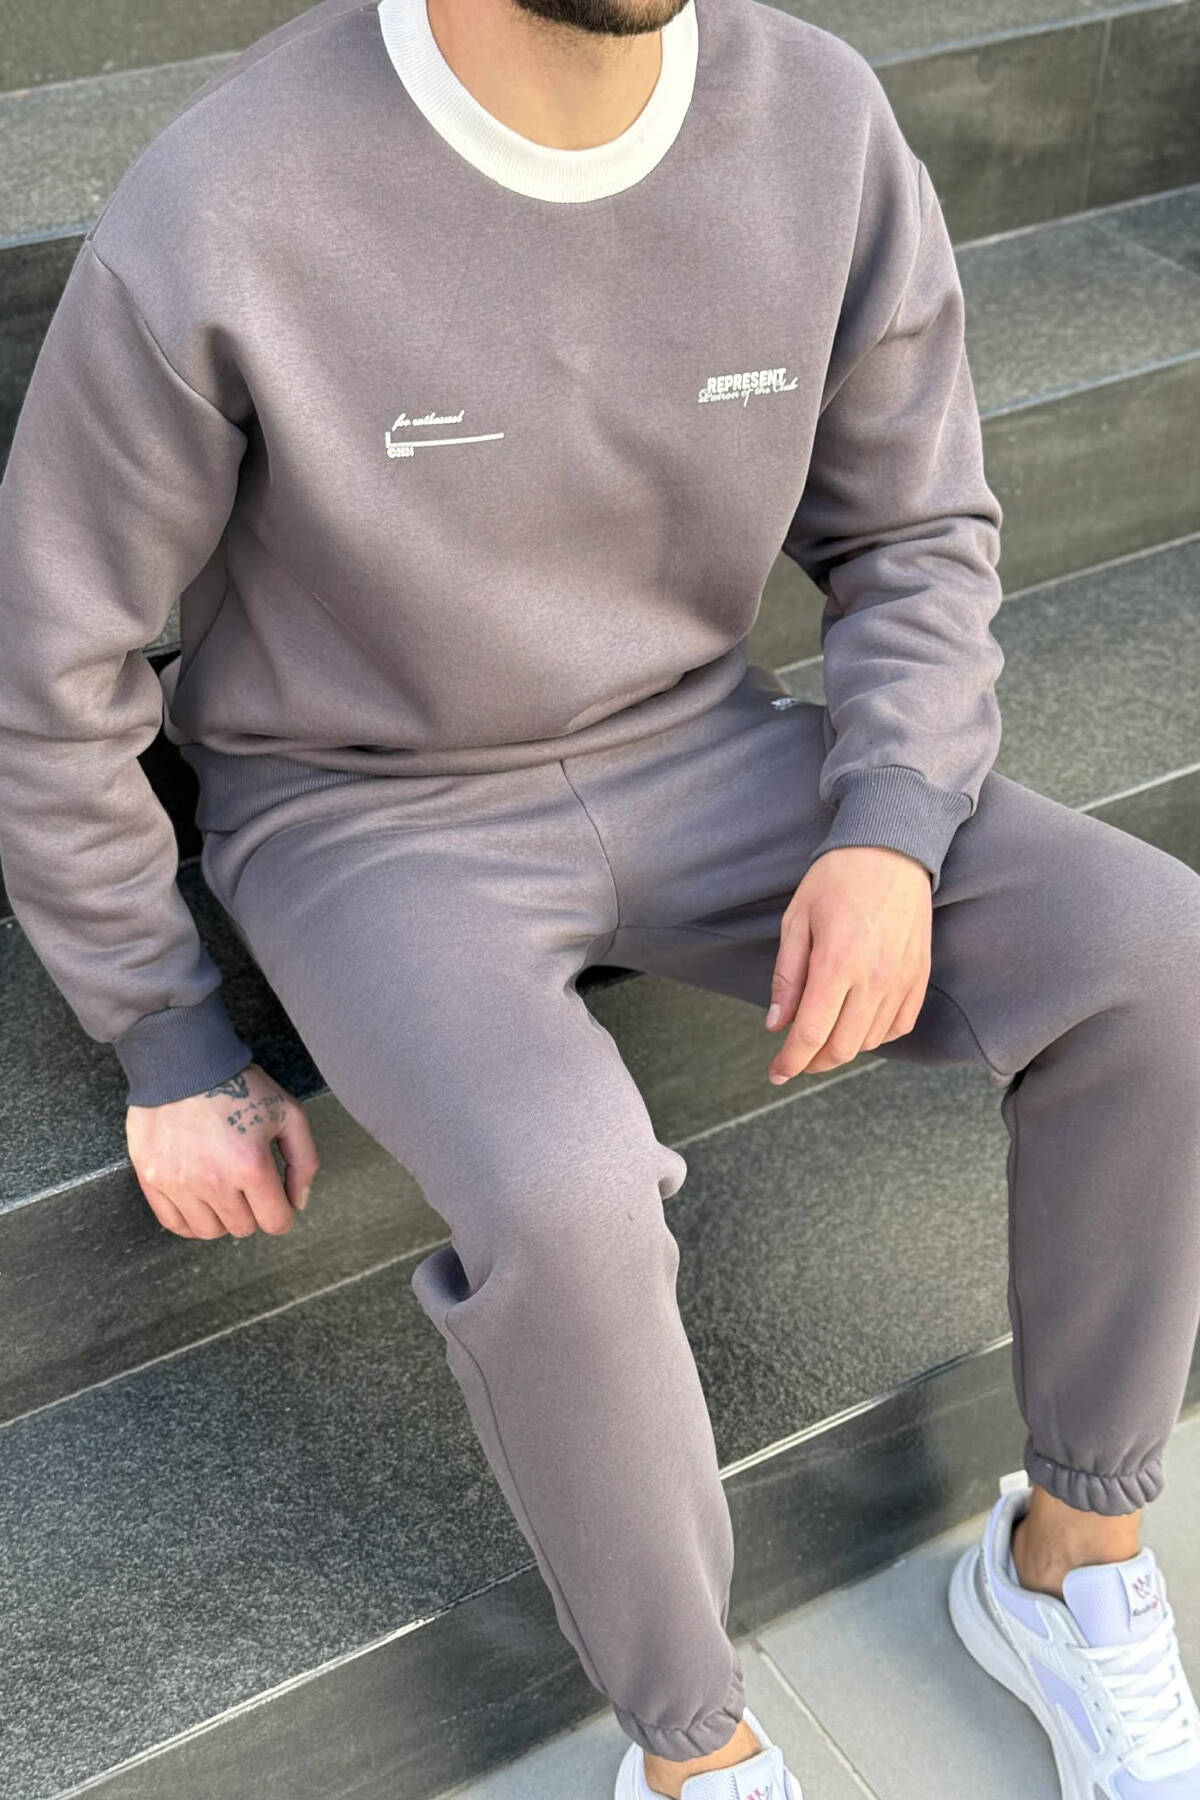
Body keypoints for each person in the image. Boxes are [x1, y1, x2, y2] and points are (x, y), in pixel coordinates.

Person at [2, 0, 1199, 1793]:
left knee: (1158, 953)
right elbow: (51, 662)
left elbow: (916, 533)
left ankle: (1068, 1561)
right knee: (563, 1189)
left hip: (705, 747)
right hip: (362, 810)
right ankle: (697, 1754)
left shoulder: (816, 118)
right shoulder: (235, 194)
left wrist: (891, 824)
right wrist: (167, 1034)